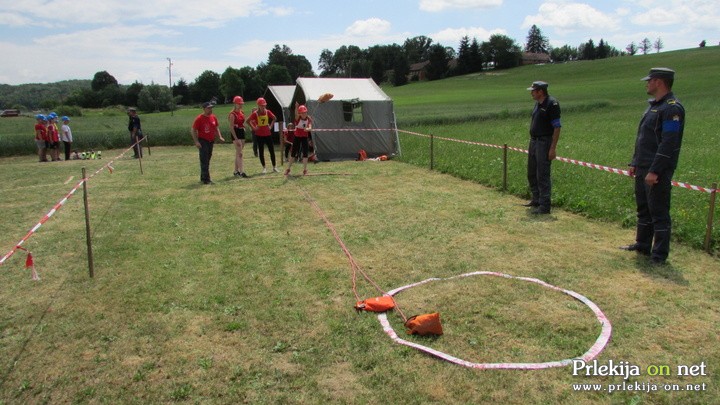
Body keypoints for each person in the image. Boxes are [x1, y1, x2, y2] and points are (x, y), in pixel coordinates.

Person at [620, 68, 685, 266]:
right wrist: (634, 162)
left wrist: (655, 170)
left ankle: (659, 255)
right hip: (642, 166)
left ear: (659, 82)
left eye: (649, 81)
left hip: (656, 169)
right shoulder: (653, 106)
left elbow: (668, 143)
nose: (646, 84)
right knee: (644, 209)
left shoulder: (672, 108)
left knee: (659, 213)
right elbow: (643, 138)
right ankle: (642, 244)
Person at [523, 81, 561, 215]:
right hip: (534, 142)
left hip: (544, 142)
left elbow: (557, 127)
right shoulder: (537, 104)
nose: (531, 93)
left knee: (542, 174)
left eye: (533, 91)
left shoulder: (552, 104)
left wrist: (552, 148)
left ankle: (545, 206)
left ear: (540, 91)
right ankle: (536, 200)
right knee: (532, 172)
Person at [191, 101, 225, 184]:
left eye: (211, 108)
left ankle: (203, 177)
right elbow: (193, 130)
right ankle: (206, 180)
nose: (210, 109)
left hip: (211, 141)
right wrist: (196, 142)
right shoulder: (199, 118)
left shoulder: (213, 117)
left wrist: (219, 136)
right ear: (204, 109)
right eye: (208, 108)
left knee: (207, 159)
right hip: (203, 141)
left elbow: (216, 128)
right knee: (204, 160)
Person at [248, 98, 279, 173]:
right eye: (261, 105)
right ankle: (264, 168)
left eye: (264, 105)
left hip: (268, 134)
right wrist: (254, 128)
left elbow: (274, 118)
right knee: (261, 152)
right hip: (259, 135)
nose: (263, 107)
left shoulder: (267, 112)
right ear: (258, 105)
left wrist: (271, 126)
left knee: (271, 151)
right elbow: (247, 121)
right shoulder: (255, 113)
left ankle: (274, 167)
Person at [284, 103, 313, 176]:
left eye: (305, 112)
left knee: (305, 154)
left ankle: (305, 170)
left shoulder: (309, 118)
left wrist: (308, 129)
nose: (304, 114)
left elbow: (310, 127)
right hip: (297, 137)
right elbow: (296, 114)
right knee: (293, 153)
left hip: (304, 137)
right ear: (300, 113)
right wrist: (296, 107)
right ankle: (288, 169)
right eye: (302, 113)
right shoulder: (298, 118)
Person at [228, 96, 249, 178]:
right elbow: (231, 127)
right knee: (240, 153)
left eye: (241, 104)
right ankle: (241, 171)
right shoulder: (232, 114)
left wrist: (244, 127)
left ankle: (236, 171)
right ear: (235, 104)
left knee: (238, 152)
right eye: (239, 104)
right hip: (235, 133)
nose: (240, 105)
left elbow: (243, 122)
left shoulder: (242, 113)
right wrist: (235, 138)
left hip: (241, 132)